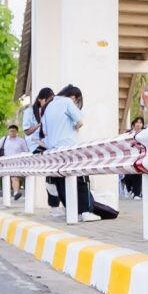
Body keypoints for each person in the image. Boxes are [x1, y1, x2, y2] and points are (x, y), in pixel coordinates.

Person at [43, 83, 120, 220]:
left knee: (62, 181)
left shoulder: (49, 105)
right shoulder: (67, 102)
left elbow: (44, 131)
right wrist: (74, 126)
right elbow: (80, 121)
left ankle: (72, 211)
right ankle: (85, 212)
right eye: (77, 101)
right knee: (82, 179)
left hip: (53, 150)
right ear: (74, 97)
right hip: (69, 148)